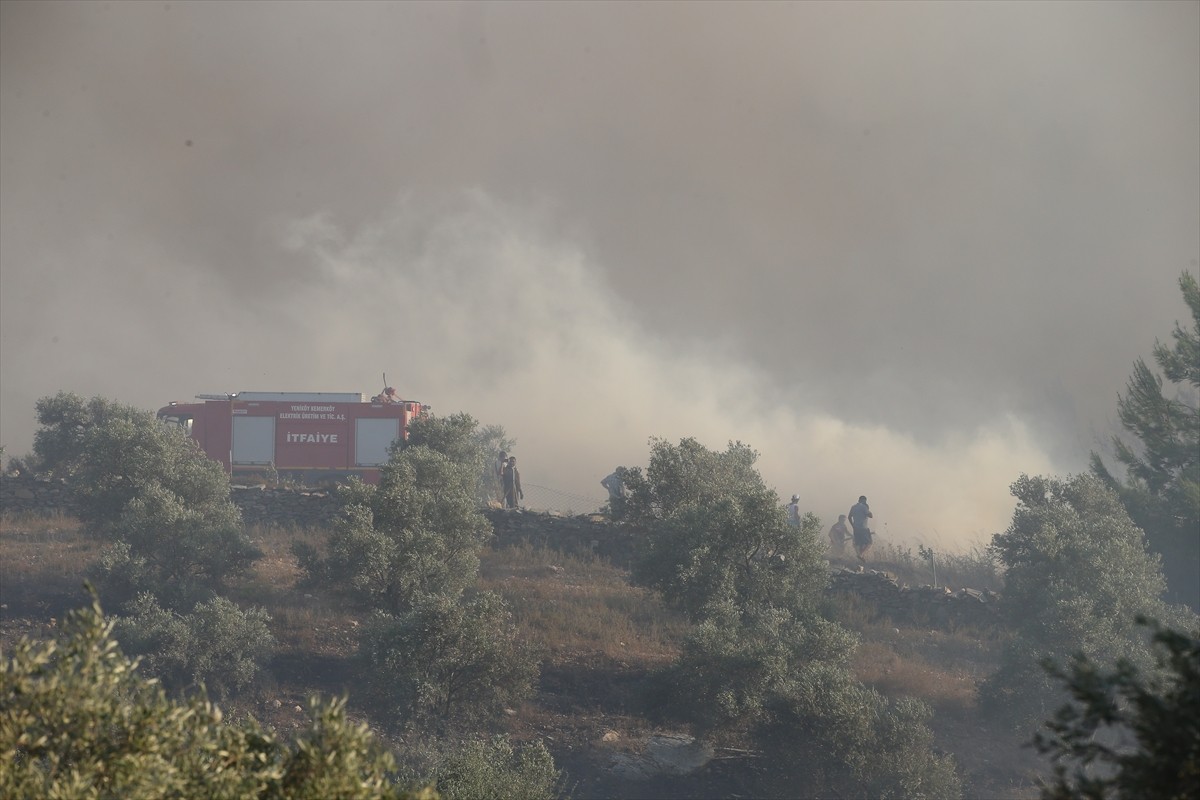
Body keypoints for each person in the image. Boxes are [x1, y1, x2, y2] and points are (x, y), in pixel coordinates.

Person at [848, 495, 874, 561]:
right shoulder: (864, 507)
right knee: (869, 543)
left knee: (859, 544)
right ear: (864, 500)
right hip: (863, 528)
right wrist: (868, 511)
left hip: (856, 528)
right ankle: (861, 555)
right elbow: (871, 516)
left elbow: (849, 517)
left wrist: (853, 526)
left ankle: (861, 558)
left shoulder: (853, 507)